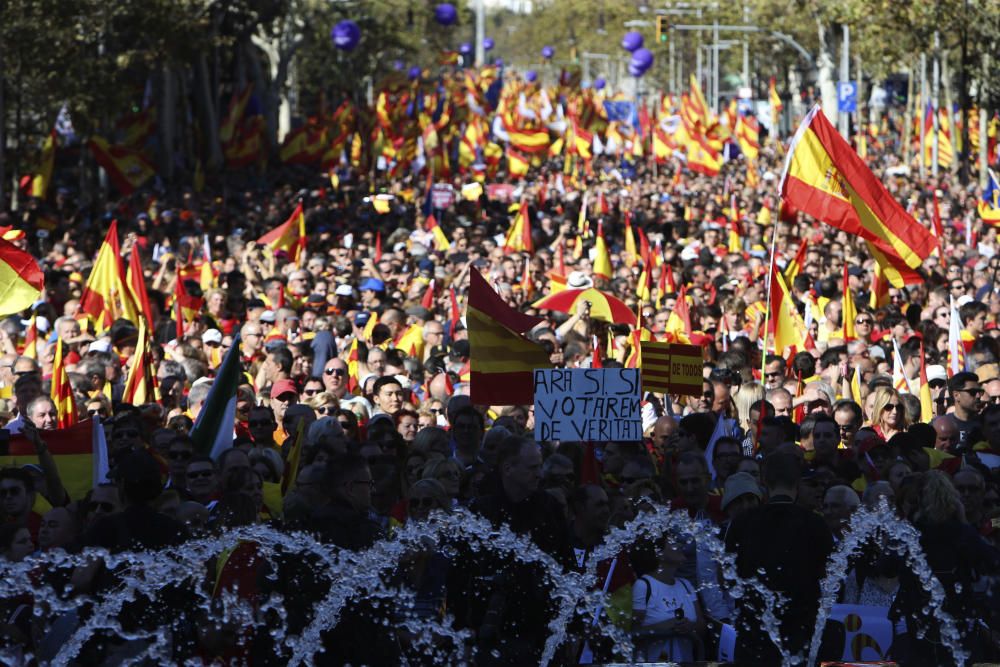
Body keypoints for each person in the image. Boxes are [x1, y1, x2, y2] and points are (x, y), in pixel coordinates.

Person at [725, 452, 835, 663]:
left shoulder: (743, 522)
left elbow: (728, 576)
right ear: (797, 482)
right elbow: (829, 575)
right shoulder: (815, 524)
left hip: (753, 635)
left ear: (764, 481)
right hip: (801, 634)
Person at [631, 538, 706, 662]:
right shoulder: (643, 586)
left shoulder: (686, 585)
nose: (680, 544)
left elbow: (702, 626)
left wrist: (690, 627)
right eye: (672, 541)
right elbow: (633, 633)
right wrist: (668, 626)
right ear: (658, 553)